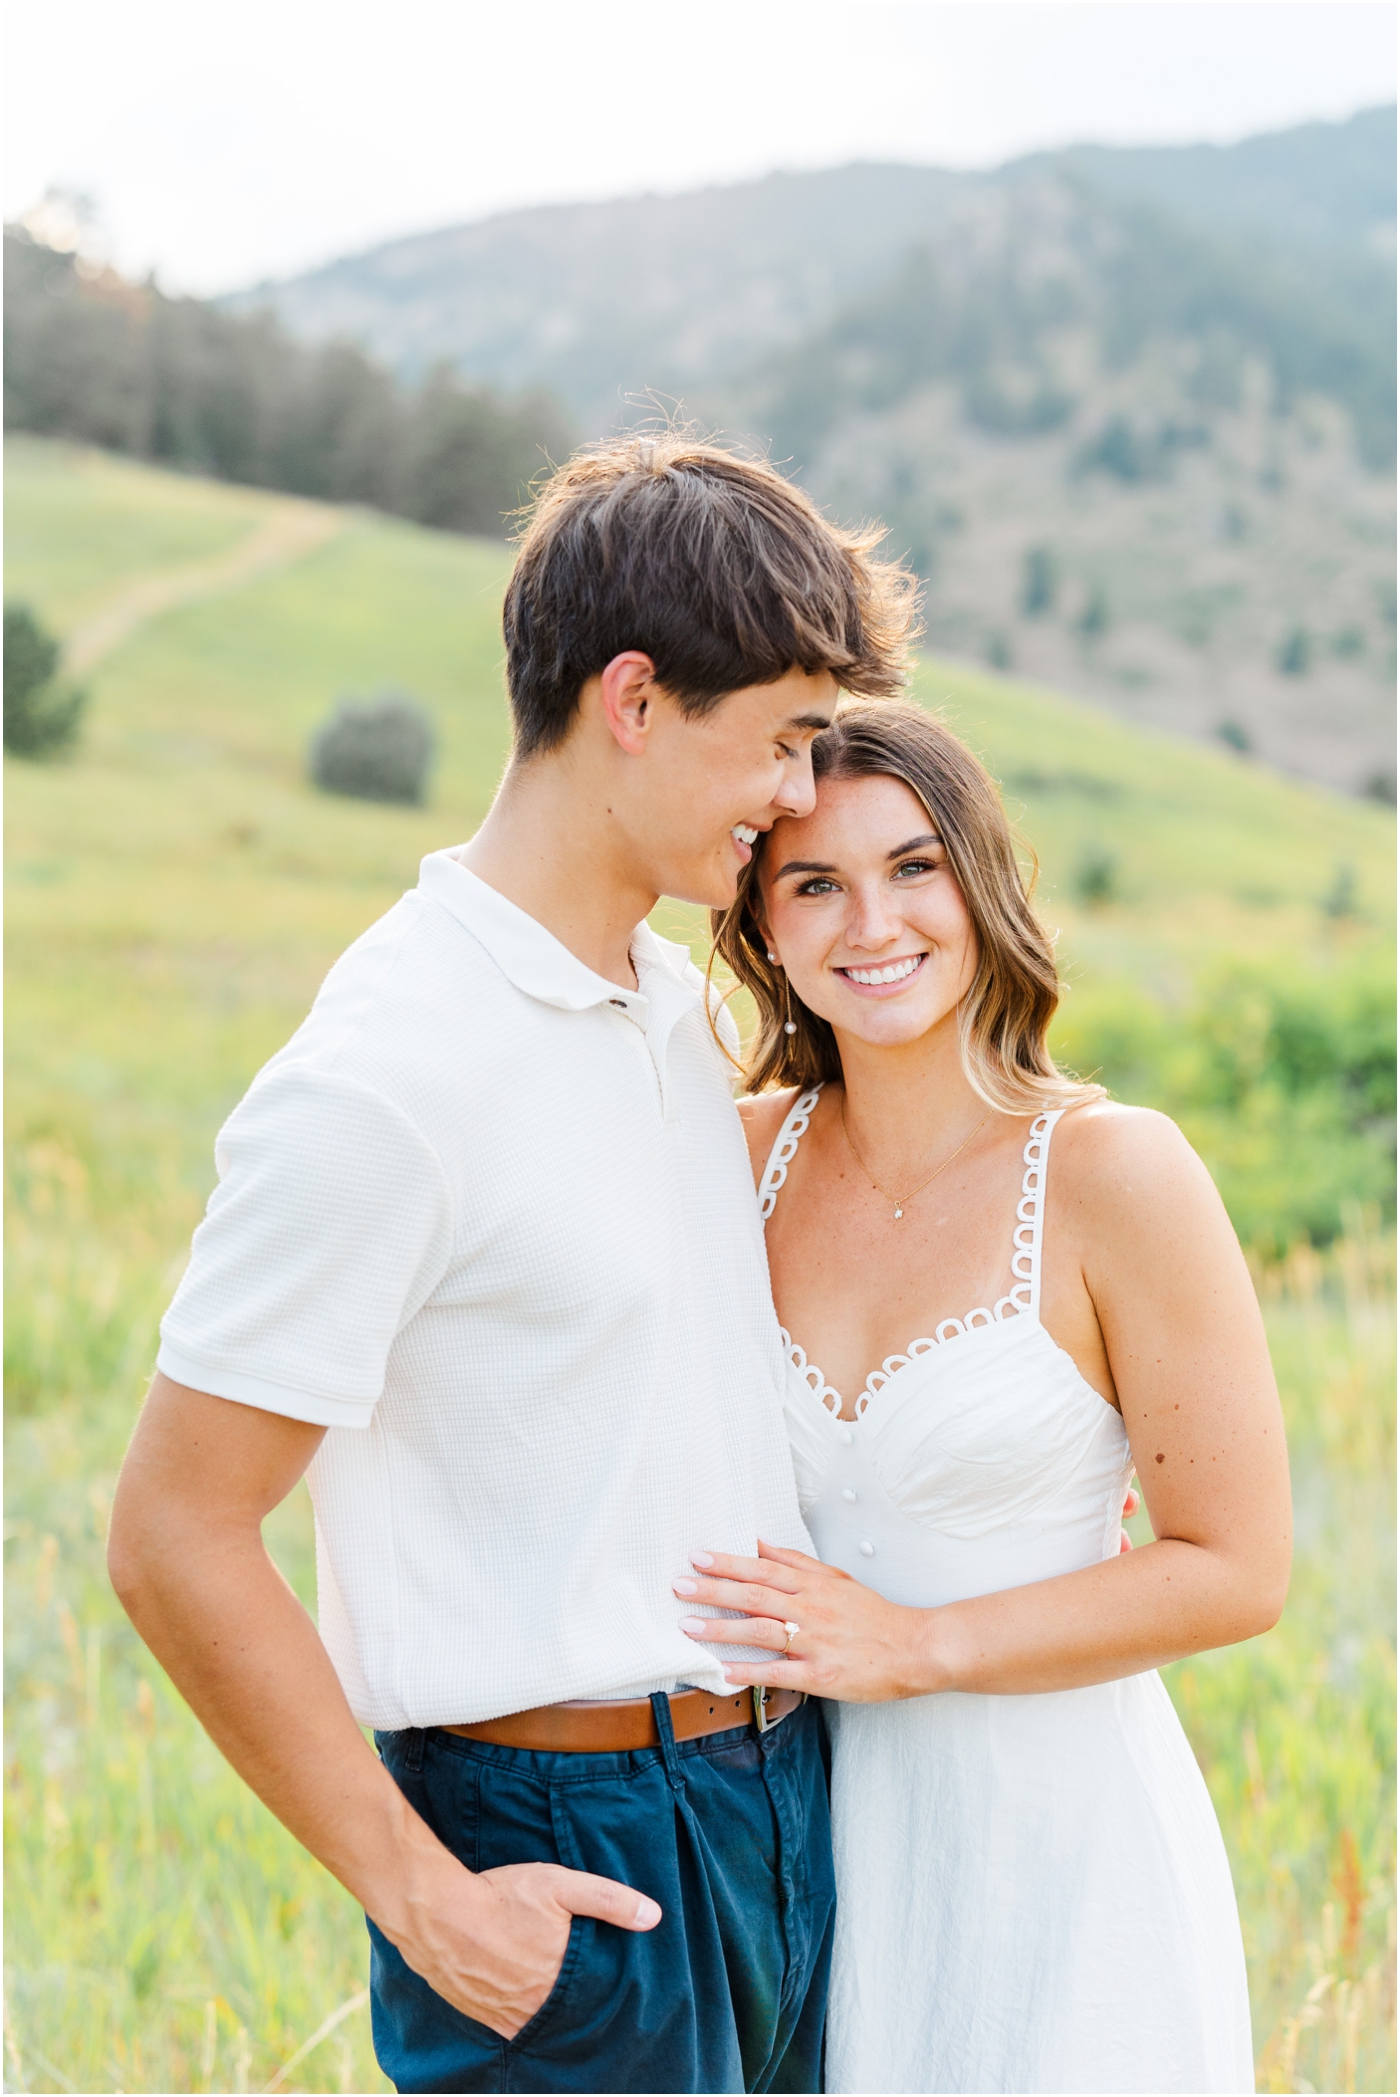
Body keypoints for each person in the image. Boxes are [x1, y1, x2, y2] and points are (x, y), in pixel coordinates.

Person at [106, 434, 919, 2095]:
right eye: (775, 738)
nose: (794, 791)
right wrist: (421, 1892)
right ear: (631, 699)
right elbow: (169, 1530)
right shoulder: (383, 1080)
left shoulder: (670, 1000)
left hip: (781, 1802)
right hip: (564, 1844)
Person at [672, 699, 1292, 2095]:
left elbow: (1238, 1569)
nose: (869, 922)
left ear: (982, 879)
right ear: (762, 923)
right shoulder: (731, 1156)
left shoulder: (1116, 1174)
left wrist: (916, 1644)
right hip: (802, 1848)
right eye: (813, 882)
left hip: (1060, 1850)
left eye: (913, 867)